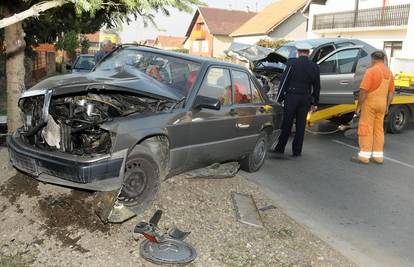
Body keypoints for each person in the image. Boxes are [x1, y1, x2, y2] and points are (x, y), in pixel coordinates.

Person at [273, 43, 320, 157]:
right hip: (305, 98)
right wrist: (315, 102)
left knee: (287, 123)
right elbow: (317, 86)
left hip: (292, 96)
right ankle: (297, 151)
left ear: (298, 52)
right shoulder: (314, 66)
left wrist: (279, 98)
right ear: (308, 53)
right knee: (300, 125)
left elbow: (284, 81)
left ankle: (280, 148)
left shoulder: (291, 64)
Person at [355, 51, 395, 164]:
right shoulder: (389, 72)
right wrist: (387, 105)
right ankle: (378, 156)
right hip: (382, 104)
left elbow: (363, 91)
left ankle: (364, 155)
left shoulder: (371, 71)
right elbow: (392, 92)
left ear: (373, 59)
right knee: (379, 130)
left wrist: (359, 106)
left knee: (366, 127)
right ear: (384, 59)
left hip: (370, 104)